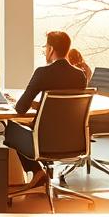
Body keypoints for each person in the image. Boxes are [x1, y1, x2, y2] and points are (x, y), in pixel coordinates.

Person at [7, 31, 87, 189]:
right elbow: (64, 107)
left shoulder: (42, 73)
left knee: (10, 130)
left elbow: (21, 108)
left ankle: (37, 171)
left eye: (46, 47)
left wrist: (20, 102)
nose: (45, 51)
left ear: (51, 49)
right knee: (30, 127)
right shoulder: (80, 76)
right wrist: (39, 105)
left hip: (43, 140)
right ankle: (40, 173)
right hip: (73, 140)